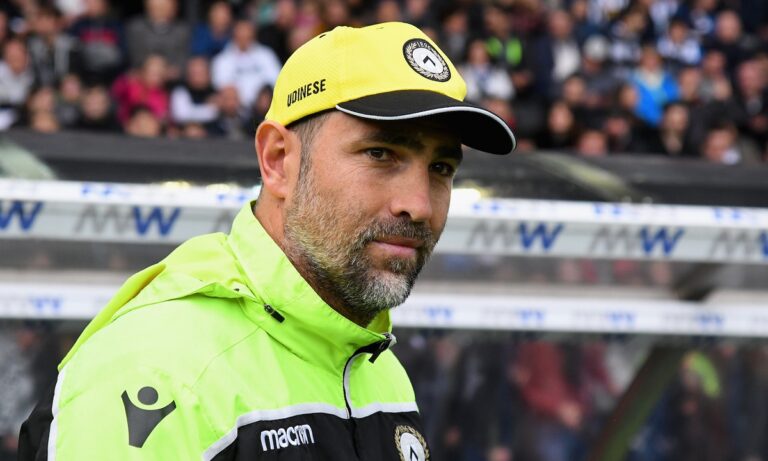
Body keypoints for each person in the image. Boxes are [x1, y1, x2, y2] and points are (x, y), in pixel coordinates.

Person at [19, 22, 515, 460]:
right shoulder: (160, 369)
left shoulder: (377, 367)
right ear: (278, 160)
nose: (419, 204)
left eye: (441, 167)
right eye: (381, 154)